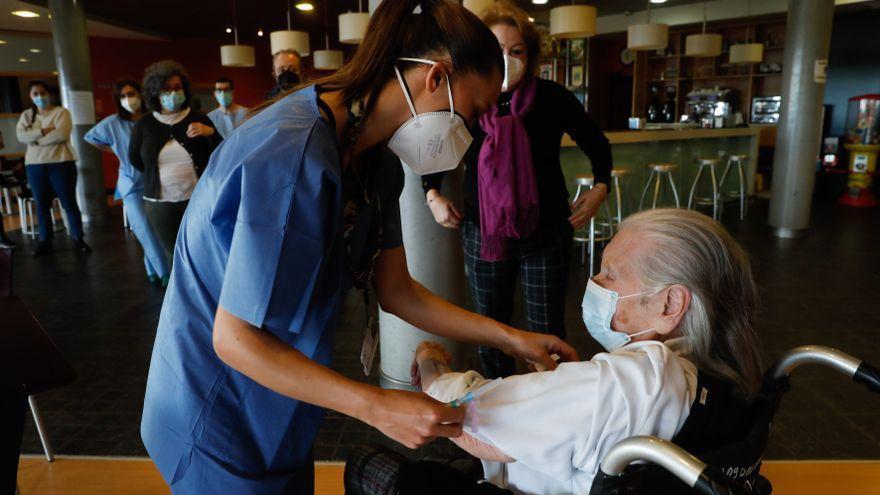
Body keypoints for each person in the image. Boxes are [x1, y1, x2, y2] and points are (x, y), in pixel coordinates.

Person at [140, 0, 578, 492]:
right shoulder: (293, 154)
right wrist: (376, 407)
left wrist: (511, 338)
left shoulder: (374, 157)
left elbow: (398, 291)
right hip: (216, 409)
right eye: (472, 112)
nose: (472, 132)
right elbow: (234, 339)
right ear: (436, 77)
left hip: (277, 405)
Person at [412, 209, 764, 494]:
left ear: (669, 304)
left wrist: (432, 370)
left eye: (609, 275)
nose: (594, 283)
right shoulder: (720, 371)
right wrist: (562, 386)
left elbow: (479, 426)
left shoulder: (624, 384)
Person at [422, 1, 613, 378]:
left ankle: (552, 401)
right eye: (497, 50)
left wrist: (601, 186)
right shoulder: (466, 98)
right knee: (491, 328)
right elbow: (436, 149)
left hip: (546, 232)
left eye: (517, 51)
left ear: (531, 55)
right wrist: (432, 194)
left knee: (548, 328)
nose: (506, 59)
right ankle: (499, 398)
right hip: (483, 232)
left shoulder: (552, 98)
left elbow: (596, 142)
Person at [129, 61, 221, 263]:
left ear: (185, 89)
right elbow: (135, 159)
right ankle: (180, 294)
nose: (173, 93)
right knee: (173, 254)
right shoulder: (143, 125)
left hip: (198, 199)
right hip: (159, 203)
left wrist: (210, 133)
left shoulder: (200, 118)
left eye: (177, 87)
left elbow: (221, 152)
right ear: (155, 92)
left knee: (203, 250)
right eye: (166, 88)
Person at [85, 79, 170, 286]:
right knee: (143, 228)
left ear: (141, 94)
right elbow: (90, 137)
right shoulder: (112, 123)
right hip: (131, 184)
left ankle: (152, 268)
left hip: (154, 181)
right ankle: (165, 273)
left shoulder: (154, 119)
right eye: (122, 96)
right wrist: (114, 150)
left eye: (131, 93)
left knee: (157, 228)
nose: (128, 99)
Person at [15, 80, 90, 256]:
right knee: (41, 205)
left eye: (43, 93)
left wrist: (34, 140)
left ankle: (78, 238)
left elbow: (61, 134)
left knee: (69, 203)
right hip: (34, 166)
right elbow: (20, 136)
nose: (40, 96)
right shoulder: (26, 115)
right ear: (30, 96)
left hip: (61, 163)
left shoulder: (61, 112)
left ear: (49, 94)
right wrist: (42, 131)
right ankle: (45, 240)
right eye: (35, 94)